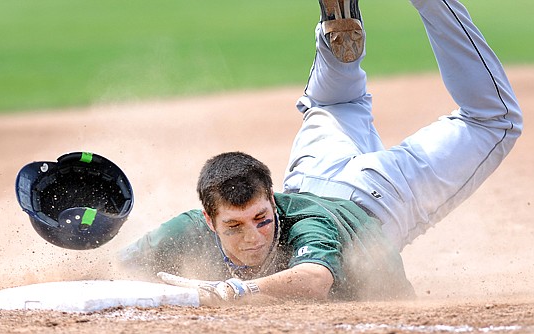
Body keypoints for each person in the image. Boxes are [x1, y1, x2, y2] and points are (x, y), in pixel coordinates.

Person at [120, 0, 522, 305]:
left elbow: (313, 280)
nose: (254, 237)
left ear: (274, 205)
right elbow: (121, 265)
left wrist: (231, 291)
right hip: (312, 167)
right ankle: (337, 39)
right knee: (332, 107)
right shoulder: (189, 227)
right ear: (209, 220)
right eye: (234, 226)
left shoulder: (307, 227)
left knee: (495, 120)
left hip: (381, 198)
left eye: (261, 219)